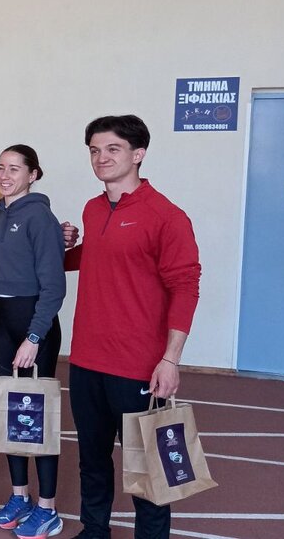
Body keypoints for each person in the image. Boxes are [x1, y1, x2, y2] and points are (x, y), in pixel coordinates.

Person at [63, 115, 201, 539]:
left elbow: (186, 287)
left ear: (138, 154)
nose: (101, 158)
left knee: (148, 468)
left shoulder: (166, 216)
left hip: (137, 366)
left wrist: (170, 359)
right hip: (86, 360)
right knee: (92, 460)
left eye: (112, 149)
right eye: (94, 150)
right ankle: (94, 531)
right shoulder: (93, 208)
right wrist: (62, 248)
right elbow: (97, 255)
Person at [0, 145, 66, 537]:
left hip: (33, 326)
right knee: (9, 414)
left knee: (38, 420)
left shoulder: (41, 218)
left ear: (33, 175)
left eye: (15, 168)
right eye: (1, 167)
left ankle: (48, 508)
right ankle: (20, 496)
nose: (5, 175)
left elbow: (54, 287)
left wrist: (34, 337)